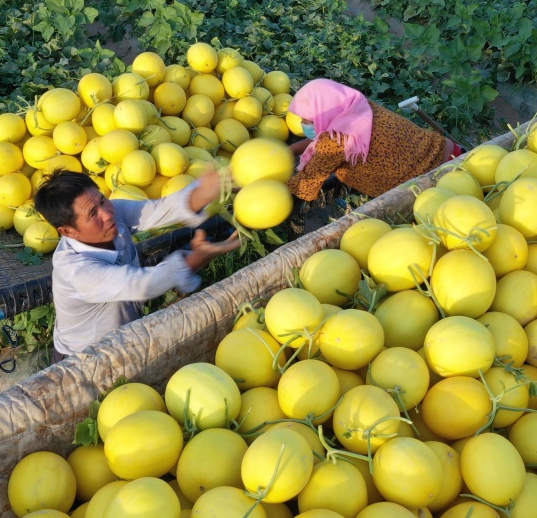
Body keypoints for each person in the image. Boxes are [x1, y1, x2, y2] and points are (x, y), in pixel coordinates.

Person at [34, 170, 240, 362]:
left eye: (102, 200)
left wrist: (206, 191)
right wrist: (196, 258)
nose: (106, 214)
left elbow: (159, 210)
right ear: (68, 232)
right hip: (84, 360)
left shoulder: (113, 213)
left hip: (124, 337)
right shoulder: (76, 271)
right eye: (92, 214)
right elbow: (142, 285)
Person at [286, 79, 461, 202]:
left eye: (306, 120)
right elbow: (324, 140)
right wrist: (290, 150)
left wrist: (271, 185)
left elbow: (304, 187)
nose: (302, 124)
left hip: (435, 184)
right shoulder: (359, 107)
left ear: (321, 113)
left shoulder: (335, 141)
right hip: (454, 154)